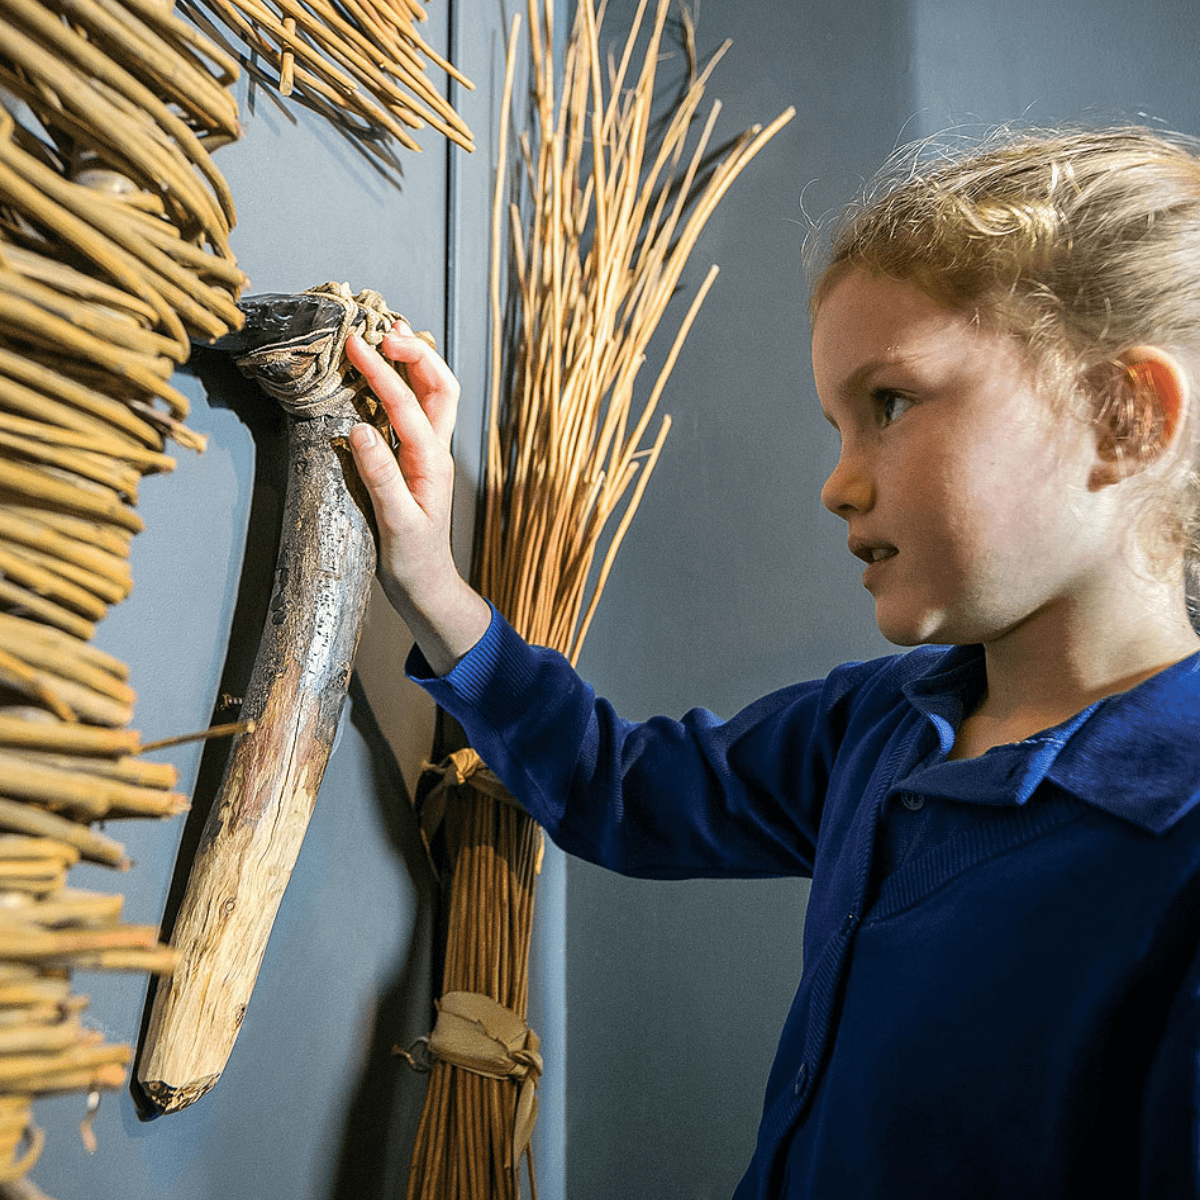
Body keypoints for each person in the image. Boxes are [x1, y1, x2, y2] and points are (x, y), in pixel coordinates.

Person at [344, 125, 1200, 1198]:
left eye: (888, 403)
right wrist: (434, 585)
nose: (838, 485)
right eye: (837, 425)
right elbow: (622, 790)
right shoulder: (880, 725)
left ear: (1123, 418)